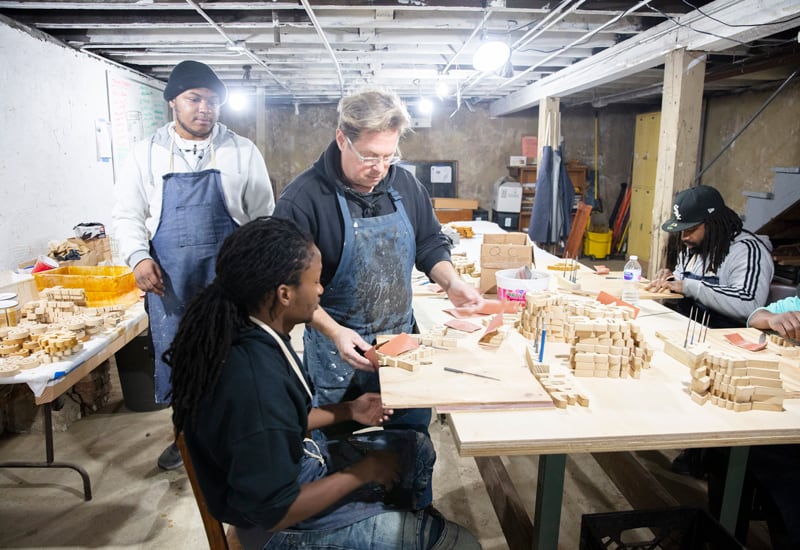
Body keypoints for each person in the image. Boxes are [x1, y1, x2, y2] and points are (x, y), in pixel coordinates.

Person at [165, 217, 481, 550]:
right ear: (284, 294)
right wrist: (364, 472)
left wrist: (350, 410)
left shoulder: (255, 330)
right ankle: (412, 532)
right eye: (315, 282)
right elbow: (276, 509)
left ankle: (406, 525)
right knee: (459, 543)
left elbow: (281, 422)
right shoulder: (254, 382)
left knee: (415, 450)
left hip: (287, 468)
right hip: (271, 525)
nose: (320, 290)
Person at [273, 88, 482, 442]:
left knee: (411, 440)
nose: (379, 169)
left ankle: (414, 498)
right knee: (338, 449)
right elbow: (287, 288)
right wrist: (334, 331)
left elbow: (430, 241)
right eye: (369, 156)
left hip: (401, 342)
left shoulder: (404, 184)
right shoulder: (303, 199)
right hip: (339, 352)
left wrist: (452, 283)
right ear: (342, 139)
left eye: (389, 156)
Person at [112, 60, 275, 470]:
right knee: (181, 359)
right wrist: (138, 258)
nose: (205, 108)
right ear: (173, 103)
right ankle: (184, 441)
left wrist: (259, 273)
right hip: (171, 280)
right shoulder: (145, 153)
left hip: (230, 279)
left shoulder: (242, 151)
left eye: (213, 102)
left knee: (233, 356)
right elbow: (127, 215)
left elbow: (263, 217)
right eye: (195, 99)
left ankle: (237, 440)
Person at [646, 184, 773, 329]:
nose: (684, 237)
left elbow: (748, 304)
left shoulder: (748, 251)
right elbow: (682, 288)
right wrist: (670, 281)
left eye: (691, 229)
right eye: (681, 231)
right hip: (688, 329)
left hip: (726, 340)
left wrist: (687, 286)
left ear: (713, 224)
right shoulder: (694, 246)